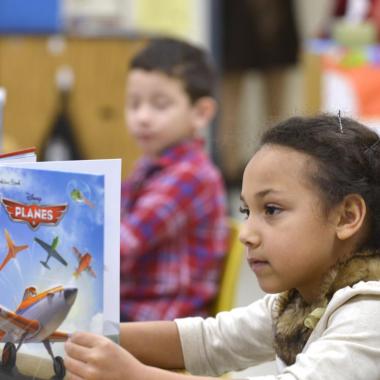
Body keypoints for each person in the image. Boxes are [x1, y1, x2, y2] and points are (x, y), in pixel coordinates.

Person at [64, 114, 380, 379]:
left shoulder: (369, 314)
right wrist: (76, 333)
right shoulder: (299, 301)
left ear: (346, 217)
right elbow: (210, 340)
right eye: (246, 211)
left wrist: (135, 375)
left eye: (271, 210)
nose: (246, 234)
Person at [119, 37, 229, 321]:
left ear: (201, 113)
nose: (142, 116)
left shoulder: (190, 175)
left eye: (160, 104)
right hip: (132, 310)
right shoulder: (149, 166)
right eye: (133, 104)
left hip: (161, 321)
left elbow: (120, 246)